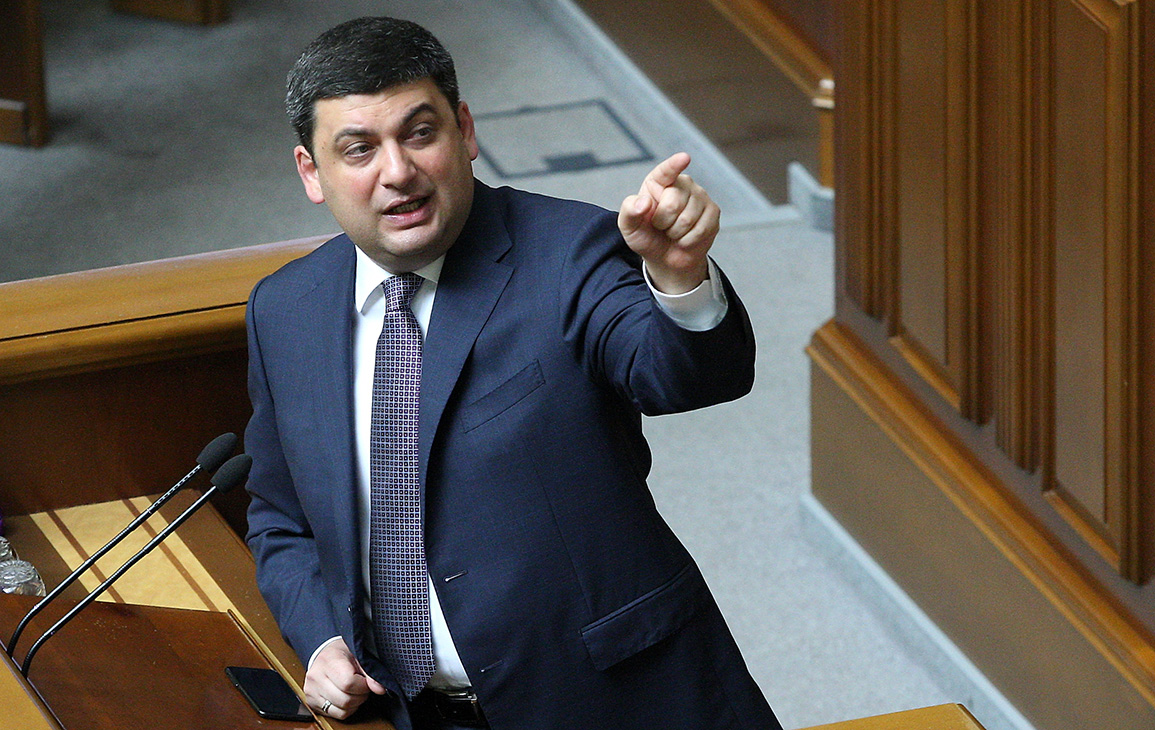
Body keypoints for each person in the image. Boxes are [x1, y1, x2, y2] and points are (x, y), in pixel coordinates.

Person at [243, 16, 781, 730]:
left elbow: (687, 377)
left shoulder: (571, 252)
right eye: (359, 149)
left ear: (465, 131)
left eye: (420, 133)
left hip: (615, 704)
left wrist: (679, 277)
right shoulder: (285, 310)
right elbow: (279, 520)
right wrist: (321, 638)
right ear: (312, 172)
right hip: (408, 714)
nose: (397, 171)